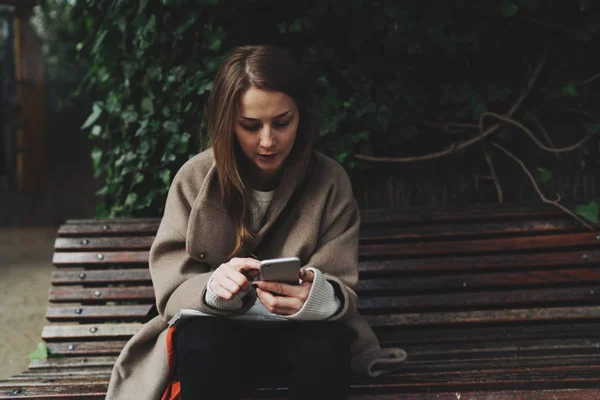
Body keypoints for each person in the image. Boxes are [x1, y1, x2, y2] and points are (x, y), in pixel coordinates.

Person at [106, 45, 406, 400]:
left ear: (302, 117)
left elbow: (342, 287)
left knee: (324, 347)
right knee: (203, 343)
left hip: (302, 333)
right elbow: (171, 290)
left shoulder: (329, 180)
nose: (268, 141)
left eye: (282, 122)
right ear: (227, 123)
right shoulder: (194, 178)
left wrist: (315, 296)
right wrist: (214, 290)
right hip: (216, 334)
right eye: (250, 126)